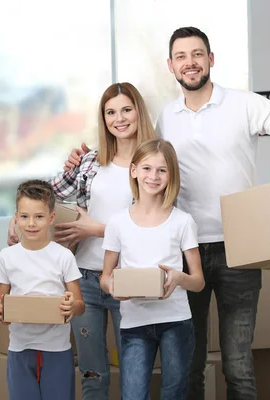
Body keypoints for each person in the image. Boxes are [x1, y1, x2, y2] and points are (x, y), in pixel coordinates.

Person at [64, 27, 270, 400]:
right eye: (181, 56)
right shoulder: (165, 118)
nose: (189, 62)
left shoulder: (245, 104)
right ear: (171, 65)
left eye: (197, 54)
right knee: (188, 366)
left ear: (211, 59)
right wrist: (82, 158)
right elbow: (134, 165)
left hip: (240, 250)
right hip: (184, 252)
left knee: (238, 364)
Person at [7, 82, 158, 399]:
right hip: (84, 280)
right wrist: (16, 217)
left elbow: (158, 225)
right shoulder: (89, 161)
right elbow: (45, 196)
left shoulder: (154, 164)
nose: (119, 118)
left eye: (126, 109)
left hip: (127, 280)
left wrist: (96, 229)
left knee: (134, 376)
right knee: (92, 373)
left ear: (139, 112)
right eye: (110, 112)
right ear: (103, 119)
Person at [100, 138, 204, 400]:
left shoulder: (183, 222)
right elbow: (105, 277)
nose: (153, 176)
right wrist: (112, 287)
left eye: (162, 170)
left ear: (171, 175)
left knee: (174, 393)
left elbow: (198, 281)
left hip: (175, 321)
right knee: (133, 395)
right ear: (133, 171)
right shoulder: (117, 223)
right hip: (134, 322)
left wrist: (179, 278)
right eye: (147, 168)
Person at [0, 179, 85, 400]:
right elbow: (1, 302)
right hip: (20, 348)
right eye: (24, 217)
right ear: (15, 217)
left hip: (57, 350)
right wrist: (1, 311)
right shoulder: (7, 257)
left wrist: (71, 305)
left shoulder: (63, 256)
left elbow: (80, 305)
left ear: (51, 218)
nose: (31, 224)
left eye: (39, 217)